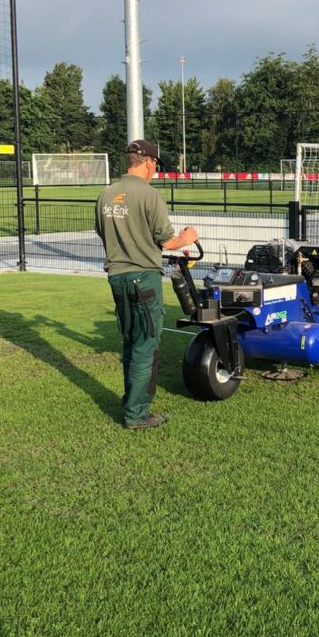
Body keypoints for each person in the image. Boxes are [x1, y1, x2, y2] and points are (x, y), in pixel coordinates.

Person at [95, 140, 199, 430]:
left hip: (117, 278)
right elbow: (167, 242)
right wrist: (188, 237)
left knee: (130, 341)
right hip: (145, 279)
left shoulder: (106, 194)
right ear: (149, 162)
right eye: (156, 166)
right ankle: (137, 414)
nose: (156, 171)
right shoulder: (150, 196)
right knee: (146, 345)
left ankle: (132, 399)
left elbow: (102, 233)